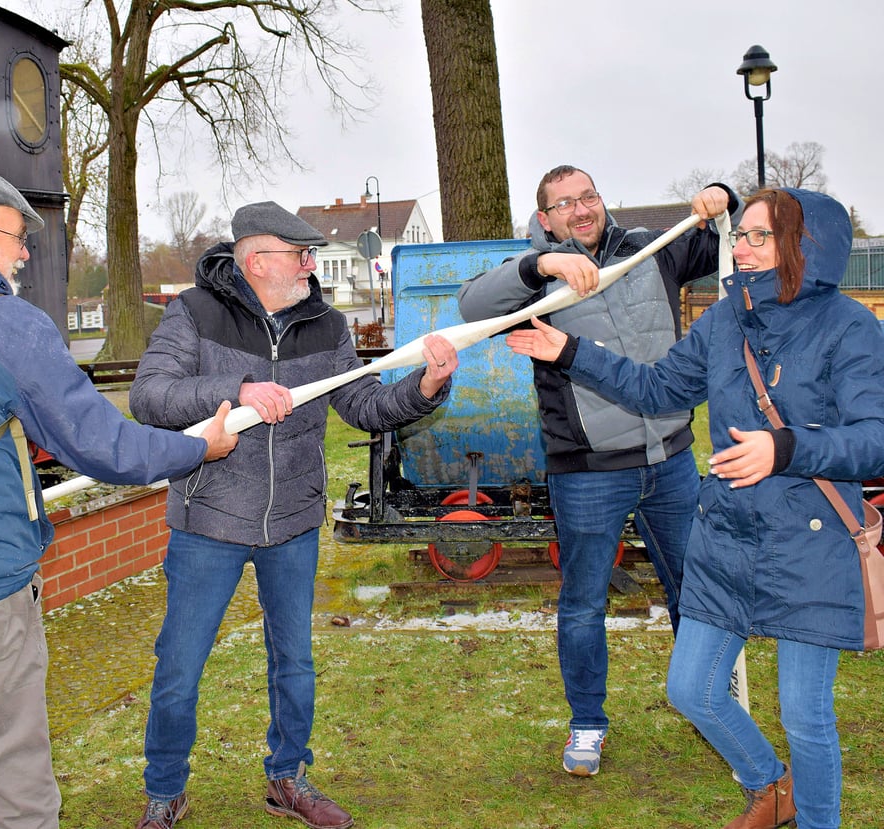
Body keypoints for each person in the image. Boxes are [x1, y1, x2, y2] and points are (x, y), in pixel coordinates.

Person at [0, 165, 238, 829]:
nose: (25, 254)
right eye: (15, 237)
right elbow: (103, 447)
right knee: (16, 781)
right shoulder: (7, 323)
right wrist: (196, 447)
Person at [505, 188, 884, 829]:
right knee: (693, 690)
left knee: (804, 714)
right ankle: (771, 785)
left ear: (804, 246)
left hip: (810, 543)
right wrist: (568, 353)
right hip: (728, 537)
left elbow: (874, 439)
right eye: (743, 236)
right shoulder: (724, 319)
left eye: (760, 236)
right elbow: (657, 390)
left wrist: (784, 448)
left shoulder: (850, 326)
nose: (739, 246)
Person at [128, 201, 458, 829]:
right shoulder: (193, 314)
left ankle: (288, 779)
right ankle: (165, 789)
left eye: (312, 254)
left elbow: (362, 404)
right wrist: (233, 391)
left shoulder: (327, 326)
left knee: (295, 662)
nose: (312, 264)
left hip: (293, 525)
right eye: (300, 253)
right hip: (209, 521)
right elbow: (150, 396)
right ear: (256, 261)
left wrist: (424, 387)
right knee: (180, 664)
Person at [457, 164, 741, 776]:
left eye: (588, 197)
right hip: (587, 471)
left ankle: (712, 706)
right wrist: (545, 266)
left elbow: (726, 240)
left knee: (694, 589)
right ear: (546, 218)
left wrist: (725, 198)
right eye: (565, 204)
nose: (581, 209)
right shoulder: (532, 278)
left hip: (669, 458)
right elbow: (471, 304)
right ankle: (588, 722)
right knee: (584, 603)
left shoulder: (648, 249)